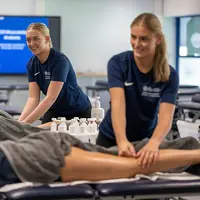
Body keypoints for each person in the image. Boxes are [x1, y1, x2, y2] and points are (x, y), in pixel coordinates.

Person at [0, 109, 200, 184]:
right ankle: (192, 154)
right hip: (33, 151)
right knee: (123, 158)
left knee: (133, 165)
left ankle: (194, 154)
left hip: (38, 155)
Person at [97, 12, 179, 168]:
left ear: (158, 39)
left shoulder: (169, 74)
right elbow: (118, 105)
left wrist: (154, 142)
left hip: (146, 142)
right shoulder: (118, 63)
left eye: (144, 39)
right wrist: (121, 140)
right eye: (133, 37)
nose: (136, 43)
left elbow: (166, 117)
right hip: (111, 138)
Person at [18, 22, 91, 124]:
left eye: (36, 39)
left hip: (77, 110)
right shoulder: (31, 64)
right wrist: (19, 123)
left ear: (47, 39)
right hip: (55, 109)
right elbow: (33, 98)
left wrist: (25, 124)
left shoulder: (60, 60)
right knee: (42, 137)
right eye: (28, 40)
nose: (31, 43)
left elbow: (50, 98)